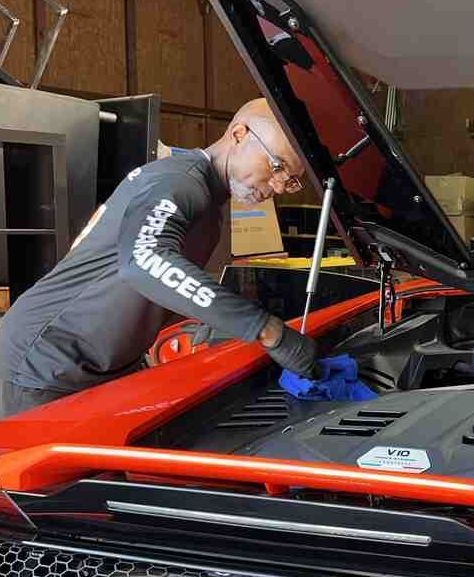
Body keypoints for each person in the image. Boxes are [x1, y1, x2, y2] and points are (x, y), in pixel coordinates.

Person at [0, 98, 318, 417]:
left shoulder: (209, 202)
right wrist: (266, 329)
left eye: (290, 180)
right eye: (277, 166)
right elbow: (144, 259)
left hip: (94, 367)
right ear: (239, 134)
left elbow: (162, 284)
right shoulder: (179, 181)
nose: (277, 185)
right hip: (38, 368)